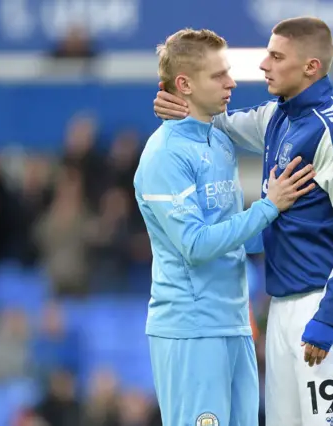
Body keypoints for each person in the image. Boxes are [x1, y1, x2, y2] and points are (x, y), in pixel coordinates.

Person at [154, 17, 333, 426]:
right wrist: (178, 103)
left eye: (276, 56)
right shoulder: (276, 117)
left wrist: (327, 317)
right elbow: (217, 119)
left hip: (326, 307)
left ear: (310, 66)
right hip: (281, 307)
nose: (263, 66)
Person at [135, 29, 316, 426]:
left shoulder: (218, 141)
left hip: (235, 322)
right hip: (190, 329)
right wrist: (269, 207)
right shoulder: (164, 155)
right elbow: (195, 244)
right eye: (218, 75)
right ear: (184, 84)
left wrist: (290, 224)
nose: (231, 83)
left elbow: (235, 233)